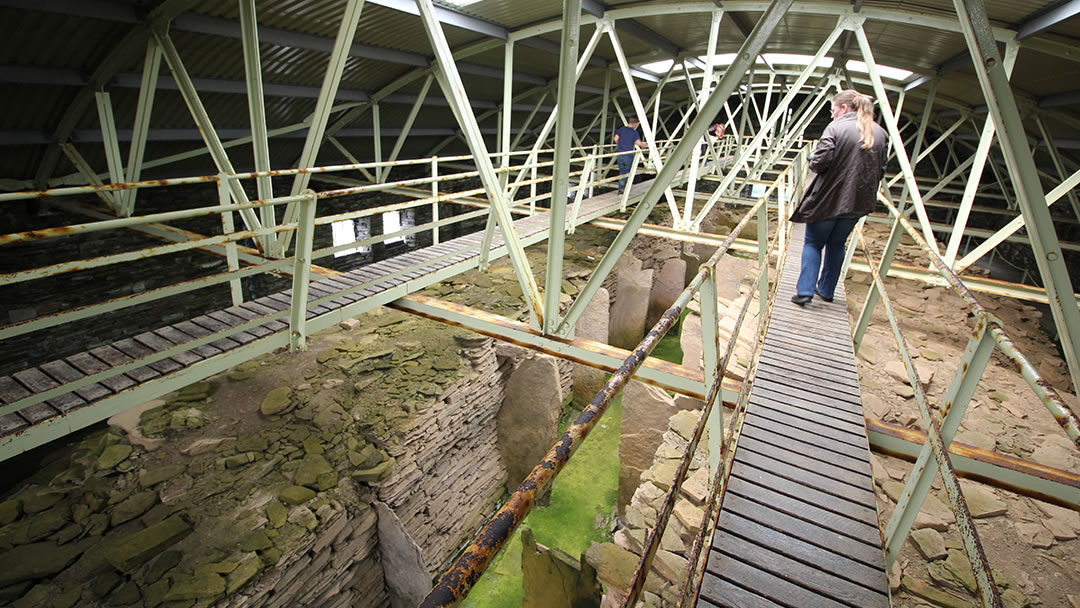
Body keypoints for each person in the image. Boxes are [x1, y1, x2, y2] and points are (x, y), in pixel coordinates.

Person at [790, 89, 888, 306]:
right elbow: (881, 170)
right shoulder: (880, 133)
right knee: (837, 244)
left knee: (813, 243)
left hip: (828, 199)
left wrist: (811, 160)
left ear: (843, 108)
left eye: (833, 110)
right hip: (857, 202)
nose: (832, 114)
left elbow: (819, 163)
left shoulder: (836, 128)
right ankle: (826, 290)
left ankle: (805, 291)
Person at [614, 116, 647, 194]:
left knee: (622, 171)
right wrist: (648, 146)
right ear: (635, 123)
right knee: (627, 172)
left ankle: (621, 189)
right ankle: (622, 189)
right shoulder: (634, 133)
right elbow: (639, 144)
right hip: (628, 155)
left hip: (620, 154)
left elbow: (615, 139)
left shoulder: (621, 130)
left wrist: (620, 144)